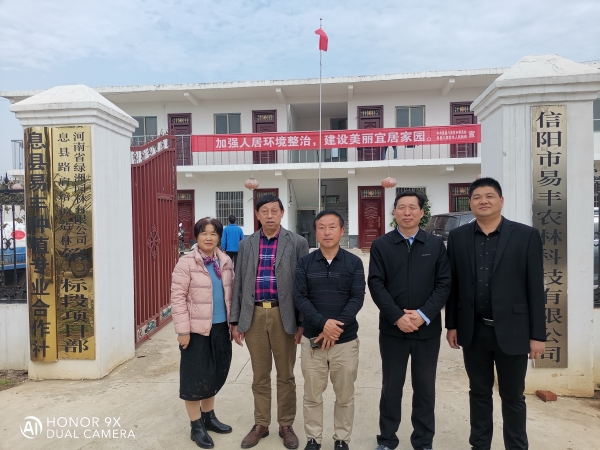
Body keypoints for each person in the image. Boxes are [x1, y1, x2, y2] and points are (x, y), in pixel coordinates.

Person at [445, 177, 546, 450]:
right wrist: (451, 324)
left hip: (514, 330)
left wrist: (537, 335)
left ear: (501, 200)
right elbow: (454, 285)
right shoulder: (458, 238)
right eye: (477, 197)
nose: (483, 201)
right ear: (470, 203)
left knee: (513, 396)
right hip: (474, 329)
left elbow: (536, 288)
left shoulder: (525, 235)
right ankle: (480, 445)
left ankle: (516, 446)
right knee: (478, 393)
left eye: (489, 196)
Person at [368, 191, 451, 450]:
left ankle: (423, 441)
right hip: (393, 329)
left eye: (412, 207)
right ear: (393, 213)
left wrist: (423, 315)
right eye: (401, 207)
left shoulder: (435, 245)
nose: (407, 212)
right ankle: (387, 439)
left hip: (426, 330)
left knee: (425, 387)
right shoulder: (382, 245)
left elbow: (444, 283)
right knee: (391, 386)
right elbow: (376, 283)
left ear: (421, 213)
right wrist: (396, 316)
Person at [230, 194, 309, 449]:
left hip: (283, 315)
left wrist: (302, 322)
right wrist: (235, 320)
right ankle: (261, 423)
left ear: (282, 213)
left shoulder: (297, 243)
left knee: (286, 375)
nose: (270, 215)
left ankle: (286, 424)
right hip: (254, 315)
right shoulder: (247, 244)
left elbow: (304, 285)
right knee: (259, 375)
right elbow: (239, 283)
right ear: (257, 215)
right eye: (264, 211)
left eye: (274, 210)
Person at [294, 210, 365, 450]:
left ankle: (342, 439)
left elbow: (357, 297)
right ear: (315, 232)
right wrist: (323, 323)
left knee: (344, 396)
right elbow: (300, 297)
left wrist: (334, 328)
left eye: (332, 227)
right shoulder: (305, 263)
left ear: (342, 231)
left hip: (345, 342)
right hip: (313, 340)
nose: (327, 232)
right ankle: (313, 438)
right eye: (321, 227)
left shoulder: (354, 262)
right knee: (312, 395)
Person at [171, 217, 234, 449]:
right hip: (195, 330)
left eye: (213, 233)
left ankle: (209, 417)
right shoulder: (186, 263)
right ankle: (196, 425)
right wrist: (183, 331)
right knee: (193, 378)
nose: (209, 237)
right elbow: (178, 298)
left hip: (220, 328)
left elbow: (230, 294)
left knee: (213, 373)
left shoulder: (225, 261)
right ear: (196, 236)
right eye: (204, 233)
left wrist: (233, 324)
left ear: (219, 237)